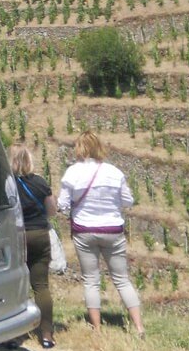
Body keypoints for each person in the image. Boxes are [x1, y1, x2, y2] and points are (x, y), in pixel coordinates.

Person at [58, 132, 144, 337]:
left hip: (84, 231)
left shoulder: (72, 173)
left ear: (79, 149)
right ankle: (139, 326)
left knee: (90, 280)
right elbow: (128, 201)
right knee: (122, 279)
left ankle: (97, 328)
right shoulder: (114, 172)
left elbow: (62, 204)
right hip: (113, 230)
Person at [11, 145, 57, 348]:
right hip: (39, 234)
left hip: (16, 237)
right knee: (41, 286)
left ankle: (14, 335)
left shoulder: (6, 184)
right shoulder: (40, 182)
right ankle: (47, 334)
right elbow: (52, 211)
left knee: (16, 287)